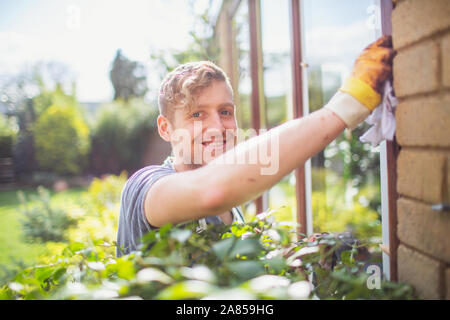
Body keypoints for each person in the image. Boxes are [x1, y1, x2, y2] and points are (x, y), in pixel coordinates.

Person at [116, 35, 395, 257]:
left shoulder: (232, 210)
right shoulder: (145, 186)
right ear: (166, 129)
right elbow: (211, 191)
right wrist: (348, 105)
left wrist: (293, 259)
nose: (217, 127)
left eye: (225, 112)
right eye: (197, 114)